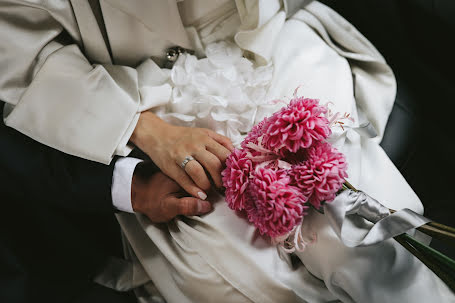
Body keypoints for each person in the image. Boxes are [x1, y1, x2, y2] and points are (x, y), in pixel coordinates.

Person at [0, 0, 453, 302]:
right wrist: (143, 127)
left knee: (354, 236)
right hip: (140, 95)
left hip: (267, 46)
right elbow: (25, 51)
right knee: (252, 280)